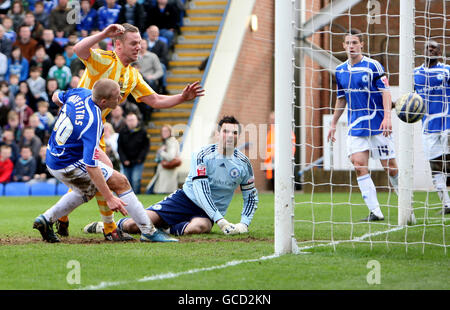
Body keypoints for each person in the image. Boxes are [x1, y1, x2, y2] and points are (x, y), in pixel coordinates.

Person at [54, 22, 204, 241]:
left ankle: (66, 217)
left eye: (140, 44)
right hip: (78, 130)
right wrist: (104, 33)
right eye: (134, 43)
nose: (139, 48)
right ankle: (110, 229)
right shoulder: (104, 60)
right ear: (118, 45)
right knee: (106, 175)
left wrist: (182, 98)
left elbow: (154, 99)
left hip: (95, 132)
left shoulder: (132, 75)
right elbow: (78, 50)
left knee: (99, 178)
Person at [32, 78, 178, 243]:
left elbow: (55, 98)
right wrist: (109, 197)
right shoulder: (93, 122)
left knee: (85, 192)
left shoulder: (80, 92)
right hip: (67, 162)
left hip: (54, 156)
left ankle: (46, 219)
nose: (120, 98)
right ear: (104, 101)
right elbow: (91, 166)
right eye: (116, 97)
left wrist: (73, 115)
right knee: (121, 182)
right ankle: (148, 231)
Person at [85, 116, 259, 237]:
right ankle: (107, 226)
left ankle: (165, 230)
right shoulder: (202, 155)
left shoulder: (243, 164)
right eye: (226, 131)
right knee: (135, 225)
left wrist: (244, 224)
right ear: (217, 134)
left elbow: (251, 196)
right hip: (185, 199)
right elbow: (201, 189)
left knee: (200, 228)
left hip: (206, 213)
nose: (230, 136)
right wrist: (220, 220)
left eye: (235, 133)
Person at [327, 29, 401, 222]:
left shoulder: (373, 66)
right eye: (348, 43)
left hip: (377, 125)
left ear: (362, 45)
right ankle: (375, 211)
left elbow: (386, 92)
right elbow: (341, 99)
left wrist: (388, 118)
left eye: (354, 43)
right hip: (356, 127)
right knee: (359, 166)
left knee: (390, 168)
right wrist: (333, 123)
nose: (351, 46)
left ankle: (405, 203)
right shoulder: (340, 71)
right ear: (343, 46)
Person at [414, 40, 450, 215]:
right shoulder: (415, 74)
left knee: (447, 161)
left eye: (434, 48)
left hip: (447, 123)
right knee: (435, 166)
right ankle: (447, 205)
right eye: (428, 47)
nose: (431, 49)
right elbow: (409, 99)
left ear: (439, 53)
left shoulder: (446, 71)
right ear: (423, 51)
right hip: (428, 127)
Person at [117, 112, 149, 194]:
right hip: (126, 162)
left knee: (136, 180)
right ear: (126, 121)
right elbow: (120, 148)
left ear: (137, 121)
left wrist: (139, 159)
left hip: (138, 161)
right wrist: (124, 160)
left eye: (133, 120)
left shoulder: (143, 132)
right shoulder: (122, 132)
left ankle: (137, 196)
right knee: (127, 181)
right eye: (129, 120)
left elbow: (145, 147)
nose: (131, 122)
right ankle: (129, 197)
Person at [263, 111, 296, 191]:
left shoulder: (286, 131)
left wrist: (287, 157)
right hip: (271, 160)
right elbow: (268, 148)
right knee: (273, 181)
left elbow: (292, 146)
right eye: (271, 119)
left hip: (282, 160)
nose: (272, 121)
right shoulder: (270, 132)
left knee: (284, 179)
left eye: (273, 119)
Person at [146, 124, 180, 194]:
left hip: (167, 171)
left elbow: (171, 156)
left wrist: (161, 152)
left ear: (170, 132)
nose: (164, 133)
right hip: (163, 171)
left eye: (166, 131)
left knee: (160, 192)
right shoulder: (166, 141)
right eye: (163, 131)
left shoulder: (171, 141)